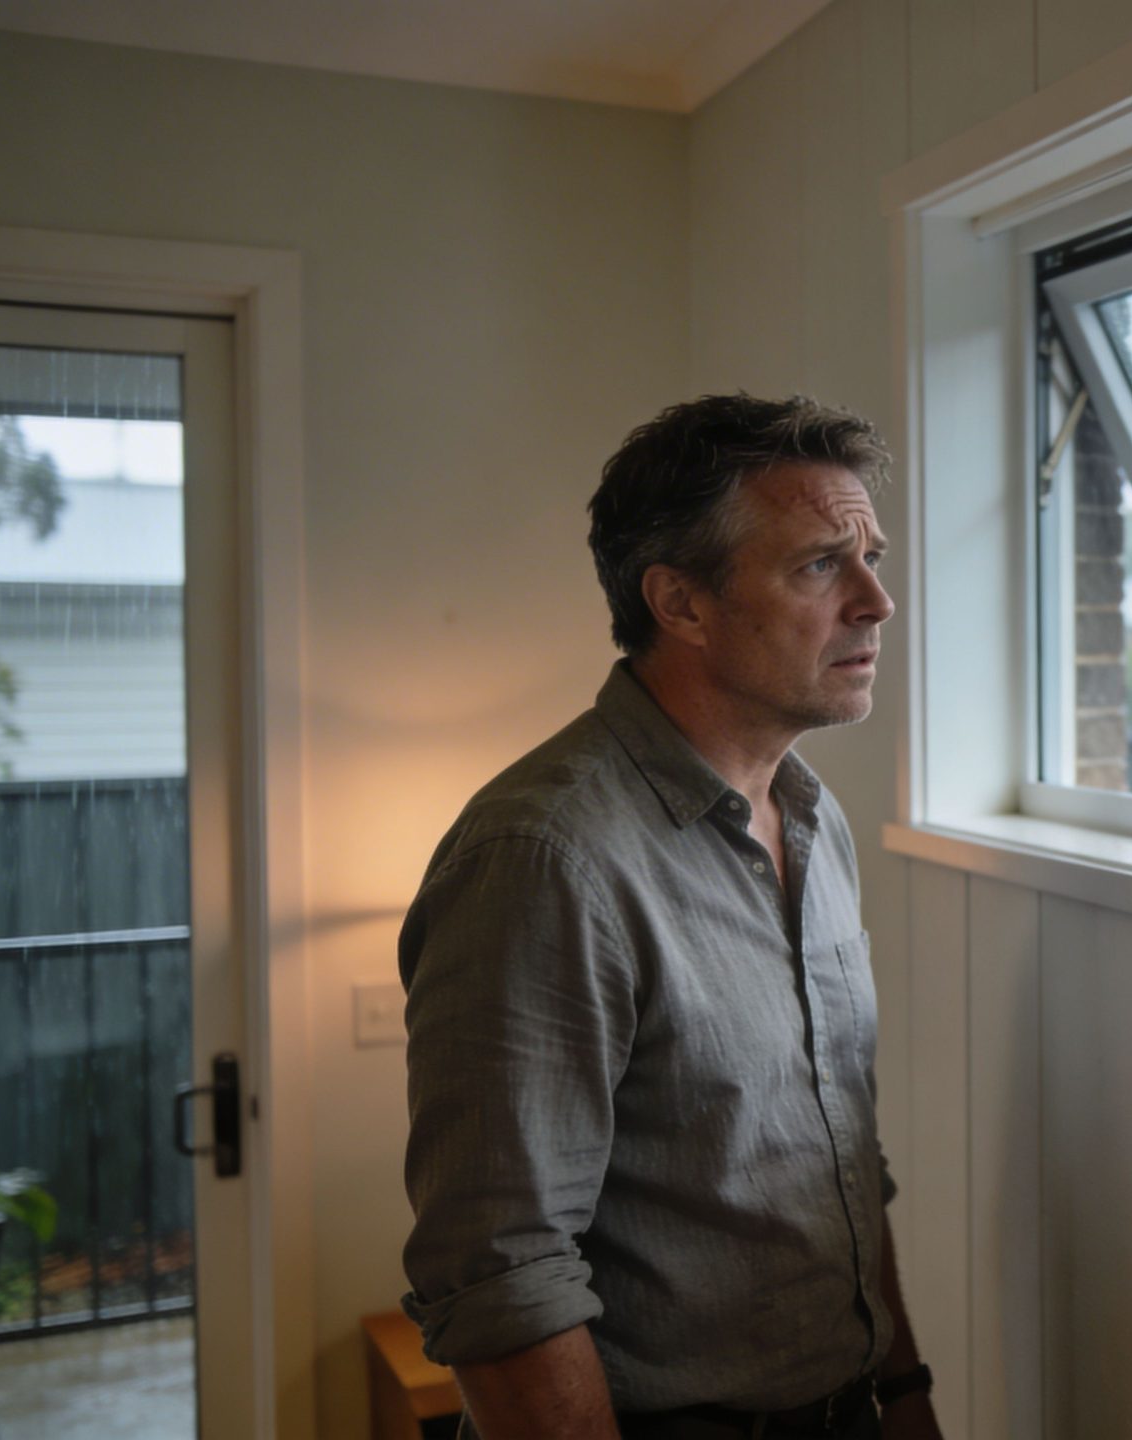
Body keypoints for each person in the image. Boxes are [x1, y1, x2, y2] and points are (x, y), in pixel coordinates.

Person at [397, 394, 940, 1440]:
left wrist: (902, 1394)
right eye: (820, 565)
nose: (875, 601)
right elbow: (504, 1273)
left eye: (870, 558)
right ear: (680, 603)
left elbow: (843, 1166)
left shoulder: (811, 819)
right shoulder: (543, 857)